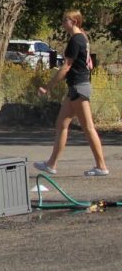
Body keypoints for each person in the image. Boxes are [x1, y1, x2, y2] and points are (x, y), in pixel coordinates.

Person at [34, 10, 109, 177]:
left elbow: (66, 66)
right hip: (77, 87)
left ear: (74, 21)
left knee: (88, 128)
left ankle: (101, 166)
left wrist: (47, 87)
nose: (63, 23)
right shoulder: (82, 37)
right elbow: (86, 63)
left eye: (65, 20)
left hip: (78, 87)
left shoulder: (76, 40)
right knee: (61, 124)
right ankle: (51, 164)